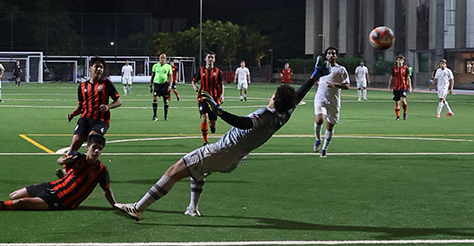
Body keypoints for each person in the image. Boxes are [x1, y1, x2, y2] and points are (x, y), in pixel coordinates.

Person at [116, 58, 325, 221]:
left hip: (222, 151)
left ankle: (137, 208)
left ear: (274, 97)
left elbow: (243, 123)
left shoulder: (265, 114)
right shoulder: (284, 115)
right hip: (234, 159)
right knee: (197, 170)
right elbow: (297, 96)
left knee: (174, 171)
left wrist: (218, 110)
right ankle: (192, 208)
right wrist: (314, 76)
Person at [0, 135, 118, 213]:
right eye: (94, 147)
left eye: (100, 149)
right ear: (87, 148)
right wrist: (63, 160)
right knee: (13, 196)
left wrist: (115, 205)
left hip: (61, 201)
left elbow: (106, 190)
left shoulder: (101, 170)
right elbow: (60, 160)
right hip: (51, 186)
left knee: (20, 203)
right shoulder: (77, 157)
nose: (97, 151)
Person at [66, 57, 121, 155]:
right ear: (90, 68)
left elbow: (118, 101)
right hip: (85, 120)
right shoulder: (82, 86)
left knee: (93, 140)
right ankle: (71, 164)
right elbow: (81, 106)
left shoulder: (106, 83)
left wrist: (108, 106)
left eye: (101, 67)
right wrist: (73, 114)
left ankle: (88, 162)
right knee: (72, 148)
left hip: (100, 121)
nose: (99, 69)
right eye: (96, 66)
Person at [312, 50, 351, 156]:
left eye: (333, 53)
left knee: (330, 127)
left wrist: (335, 84)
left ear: (336, 56)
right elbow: (315, 80)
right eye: (329, 53)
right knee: (319, 119)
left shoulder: (341, 69)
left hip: (334, 101)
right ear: (326, 56)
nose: (331, 55)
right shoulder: (322, 68)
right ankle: (318, 139)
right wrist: (316, 81)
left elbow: (347, 85)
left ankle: (324, 148)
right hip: (321, 98)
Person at [193, 53, 224, 145]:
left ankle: (212, 127)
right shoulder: (201, 70)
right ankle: (205, 141)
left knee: (212, 122)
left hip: (214, 99)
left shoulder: (217, 71)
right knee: (204, 117)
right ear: (205, 59)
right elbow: (193, 81)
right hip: (202, 97)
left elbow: (221, 84)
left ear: (214, 59)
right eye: (209, 57)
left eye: (212, 57)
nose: (210, 59)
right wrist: (194, 86)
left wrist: (222, 95)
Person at [150, 52, 173, 120]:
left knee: (165, 100)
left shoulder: (168, 66)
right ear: (159, 59)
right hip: (157, 84)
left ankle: (165, 116)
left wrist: (170, 85)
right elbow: (152, 76)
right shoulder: (155, 66)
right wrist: (150, 85)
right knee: (155, 98)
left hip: (165, 85)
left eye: (164, 58)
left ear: (166, 59)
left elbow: (170, 76)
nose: (162, 59)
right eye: (161, 58)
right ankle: (155, 115)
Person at [390, 55, 410, 120]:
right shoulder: (394, 68)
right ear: (397, 61)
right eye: (399, 60)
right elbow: (392, 77)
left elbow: (408, 78)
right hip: (396, 87)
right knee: (397, 102)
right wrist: (389, 86)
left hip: (403, 87)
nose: (400, 61)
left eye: (401, 60)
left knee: (403, 100)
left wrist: (410, 87)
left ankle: (405, 112)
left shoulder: (405, 68)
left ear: (403, 61)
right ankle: (398, 116)